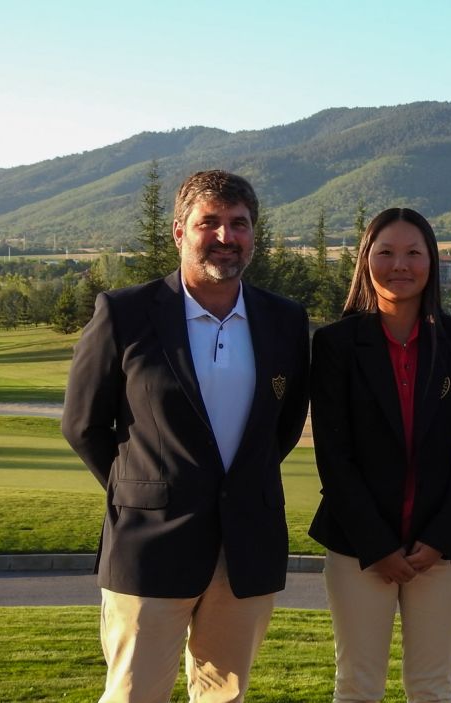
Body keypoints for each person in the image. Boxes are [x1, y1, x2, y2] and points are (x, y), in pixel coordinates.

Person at [61, 170, 310, 703]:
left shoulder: (285, 321)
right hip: (149, 546)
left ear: (253, 233)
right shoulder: (124, 313)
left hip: (245, 546)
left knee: (225, 696)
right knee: (134, 695)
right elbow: (82, 424)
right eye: (209, 223)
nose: (226, 237)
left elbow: (281, 427)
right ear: (180, 231)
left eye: (239, 224)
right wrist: (140, 489)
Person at [307, 207, 451, 702]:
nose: (400, 265)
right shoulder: (335, 345)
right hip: (357, 548)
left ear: (431, 261)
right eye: (386, 252)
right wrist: (378, 546)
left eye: (414, 252)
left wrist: (440, 537)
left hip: (440, 548)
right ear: (366, 259)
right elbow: (334, 456)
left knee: (432, 685)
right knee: (357, 684)